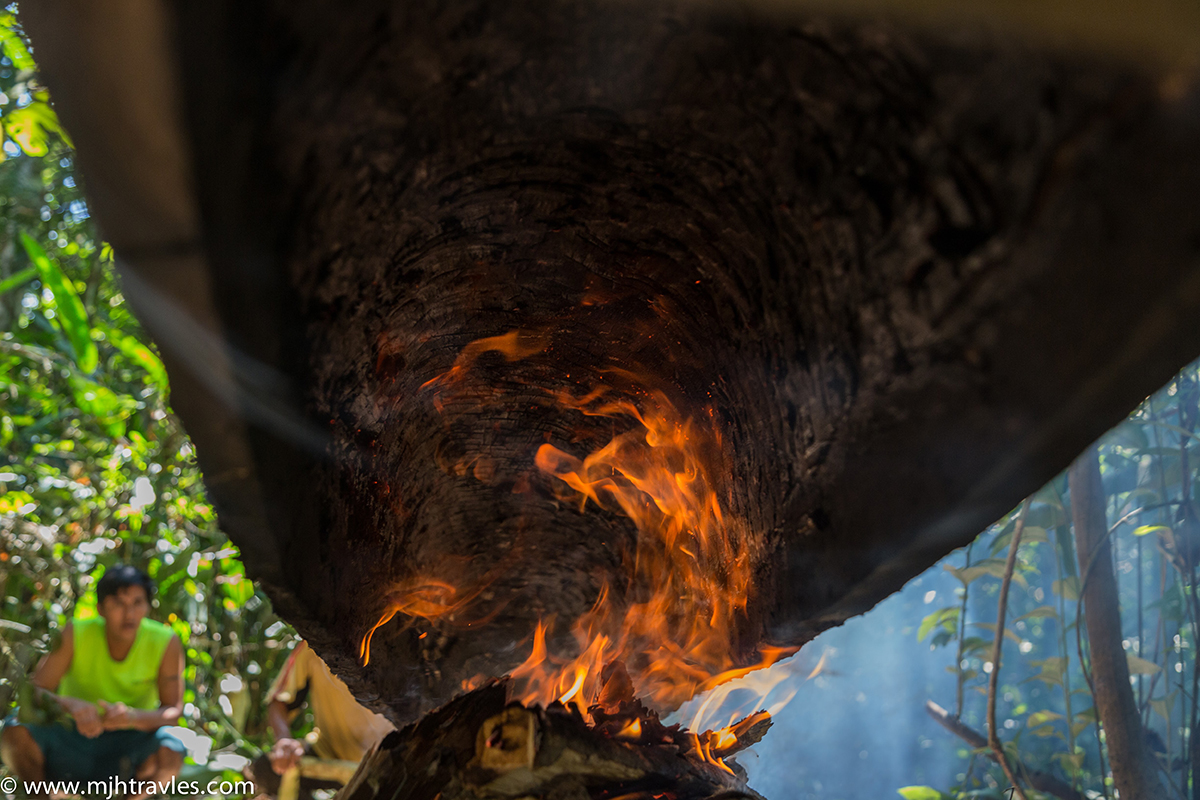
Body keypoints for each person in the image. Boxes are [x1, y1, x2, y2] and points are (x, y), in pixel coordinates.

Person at [0, 565, 186, 788]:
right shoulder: (74, 632)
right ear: (100, 608)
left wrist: (131, 717)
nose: (129, 614)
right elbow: (35, 692)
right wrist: (69, 706)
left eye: (137, 603)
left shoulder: (165, 641)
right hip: (70, 739)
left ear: (148, 606)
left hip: (130, 745)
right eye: (118, 603)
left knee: (173, 746)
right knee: (14, 727)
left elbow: (173, 712)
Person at [249, 640, 394, 796]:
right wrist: (284, 740)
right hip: (328, 752)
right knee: (268, 770)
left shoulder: (410, 642)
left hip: (390, 762)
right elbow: (278, 701)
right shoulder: (313, 645)